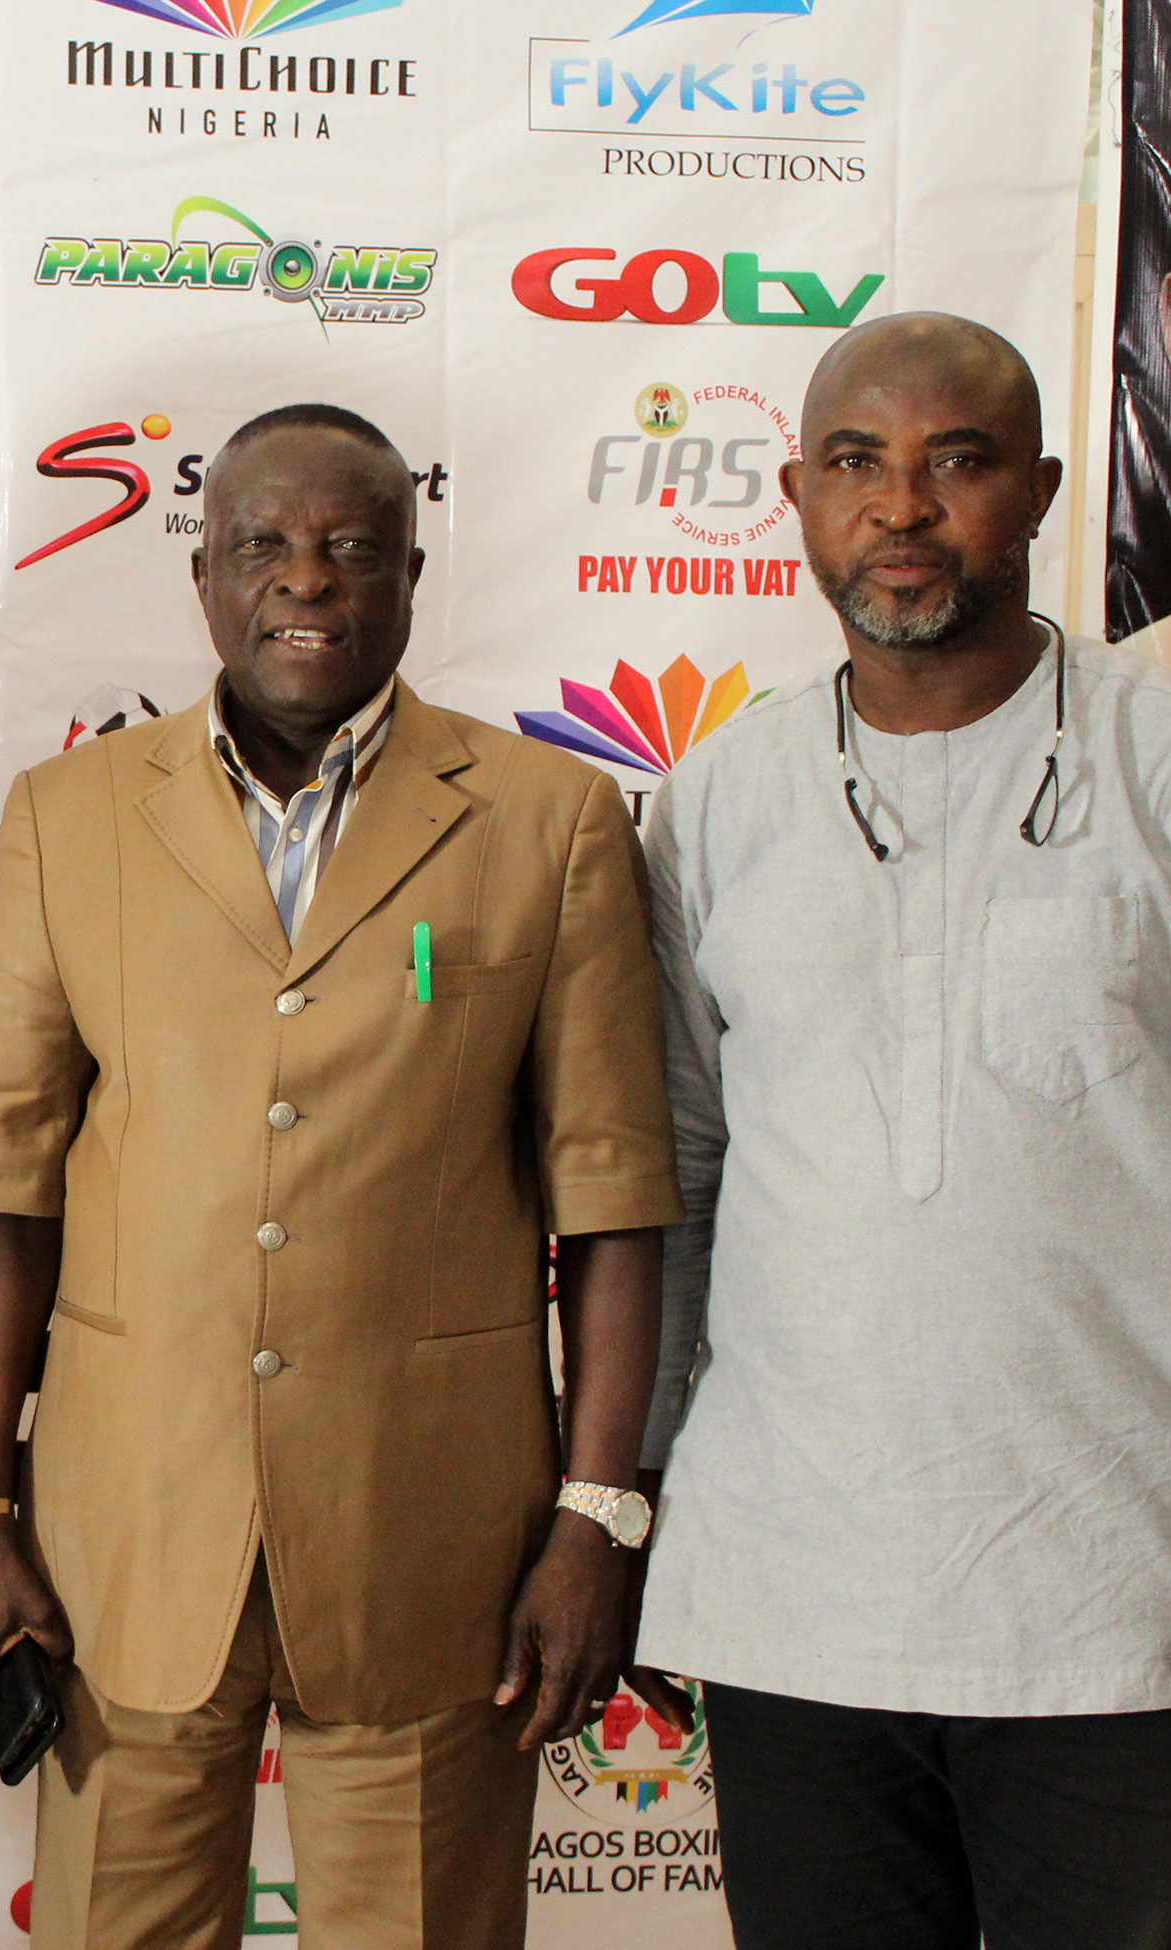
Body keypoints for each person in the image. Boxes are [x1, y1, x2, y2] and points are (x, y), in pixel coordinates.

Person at [0, 404, 686, 1949]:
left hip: (439, 1537)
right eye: (264, 545)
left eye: (352, 546)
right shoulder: (69, 817)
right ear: (203, 574)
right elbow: (8, 1188)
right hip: (132, 1531)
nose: (308, 579)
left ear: (412, 573)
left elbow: (612, 1196)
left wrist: (595, 1516)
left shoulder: (548, 819)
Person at [632, 313, 1171, 1950]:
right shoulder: (716, 799)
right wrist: (634, 1492)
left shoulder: (1151, 754)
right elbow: (679, 1173)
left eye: (961, 461)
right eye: (859, 463)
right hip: (798, 1600)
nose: (905, 506)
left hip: (1118, 1600)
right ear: (799, 491)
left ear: (1044, 493)